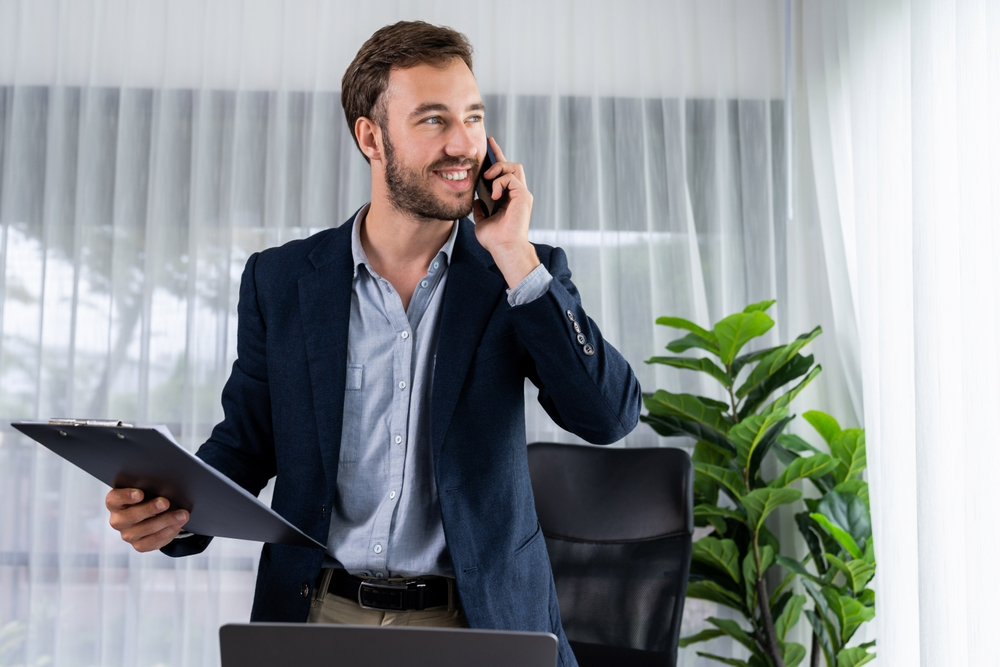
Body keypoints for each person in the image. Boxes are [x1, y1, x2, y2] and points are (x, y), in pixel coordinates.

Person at [105, 20, 640, 667]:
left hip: (478, 620)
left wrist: (514, 254)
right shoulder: (282, 281)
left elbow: (608, 417)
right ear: (371, 136)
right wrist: (170, 513)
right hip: (319, 613)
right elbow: (247, 442)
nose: (463, 143)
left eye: (473, 117)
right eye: (433, 120)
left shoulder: (519, 272)